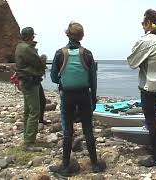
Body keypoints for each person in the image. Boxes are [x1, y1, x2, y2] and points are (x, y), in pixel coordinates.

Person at [49, 21, 105, 176]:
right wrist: (93, 98)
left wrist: (64, 81)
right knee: (88, 130)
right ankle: (95, 164)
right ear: (81, 36)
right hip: (84, 95)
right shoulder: (87, 53)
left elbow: (54, 77)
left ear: (68, 34)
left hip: (67, 95)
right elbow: (93, 79)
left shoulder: (60, 53)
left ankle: (65, 167)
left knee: (68, 131)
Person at [127, 9, 156, 167]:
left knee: (151, 121)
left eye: (142, 22)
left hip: (148, 86)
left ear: (148, 23)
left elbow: (132, 62)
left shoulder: (146, 41)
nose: (141, 24)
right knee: (155, 120)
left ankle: (155, 157)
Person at [14, 27, 46, 152]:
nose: (34, 38)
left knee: (28, 110)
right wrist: (43, 57)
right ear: (29, 36)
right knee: (34, 112)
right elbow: (38, 63)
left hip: (26, 81)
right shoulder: (26, 48)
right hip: (30, 82)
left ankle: (27, 138)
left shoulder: (20, 46)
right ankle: (29, 143)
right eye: (32, 36)